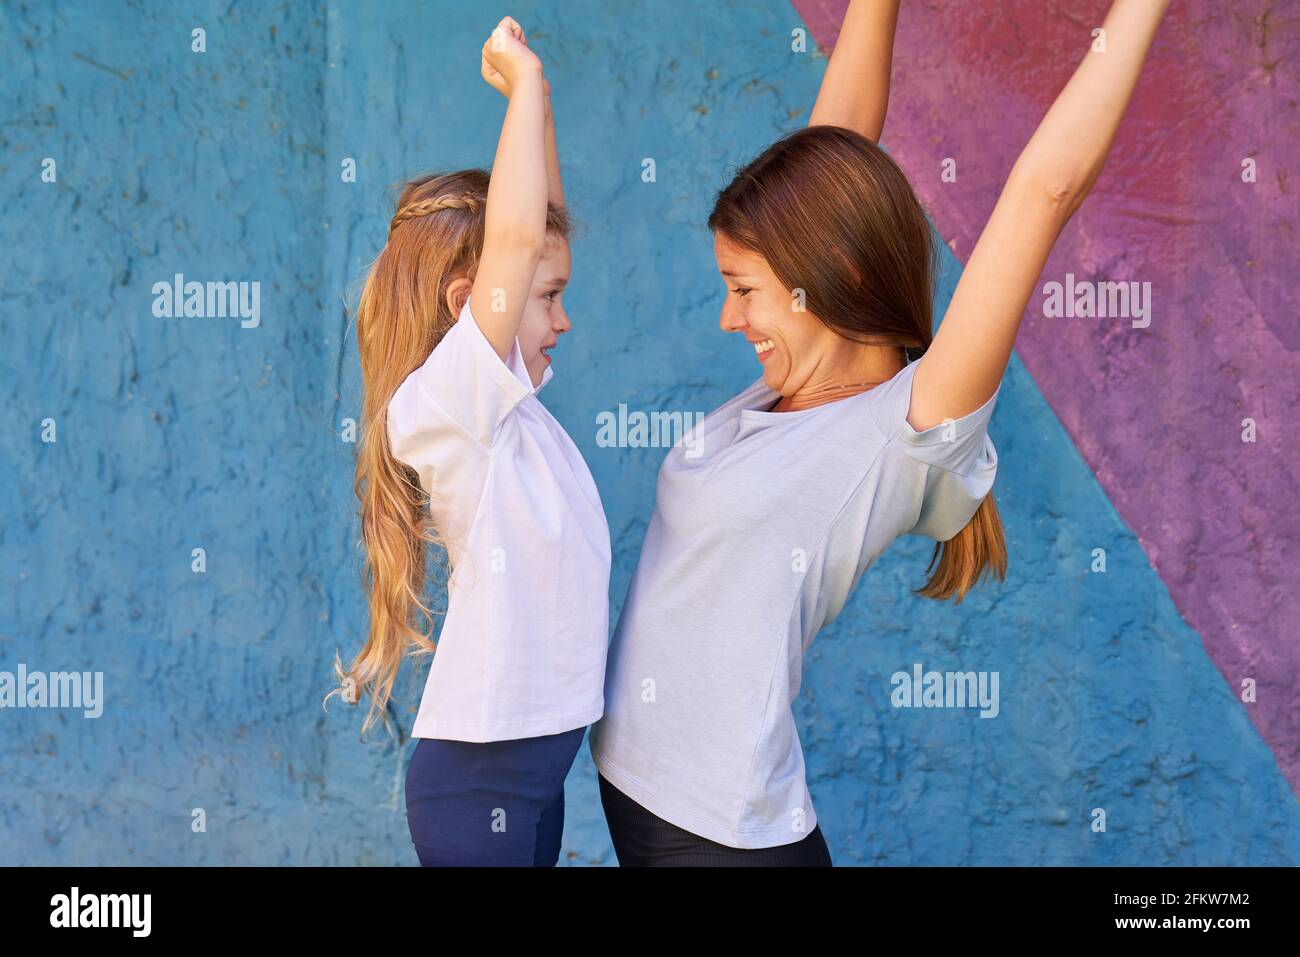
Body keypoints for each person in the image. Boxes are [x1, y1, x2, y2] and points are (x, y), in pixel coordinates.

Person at [589, 0, 1171, 865]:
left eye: (742, 288)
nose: (726, 316)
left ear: (823, 278)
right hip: (644, 798)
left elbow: (1044, 190)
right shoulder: (785, 390)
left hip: (718, 839)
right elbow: (838, 149)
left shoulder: (897, 431)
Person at [328, 17, 610, 866]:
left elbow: (539, 227)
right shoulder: (450, 405)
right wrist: (521, 86)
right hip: (480, 783)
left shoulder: (507, 412)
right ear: (468, 302)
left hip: (532, 772)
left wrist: (544, 104)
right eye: (546, 296)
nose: (564, 317)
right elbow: (521, 241)